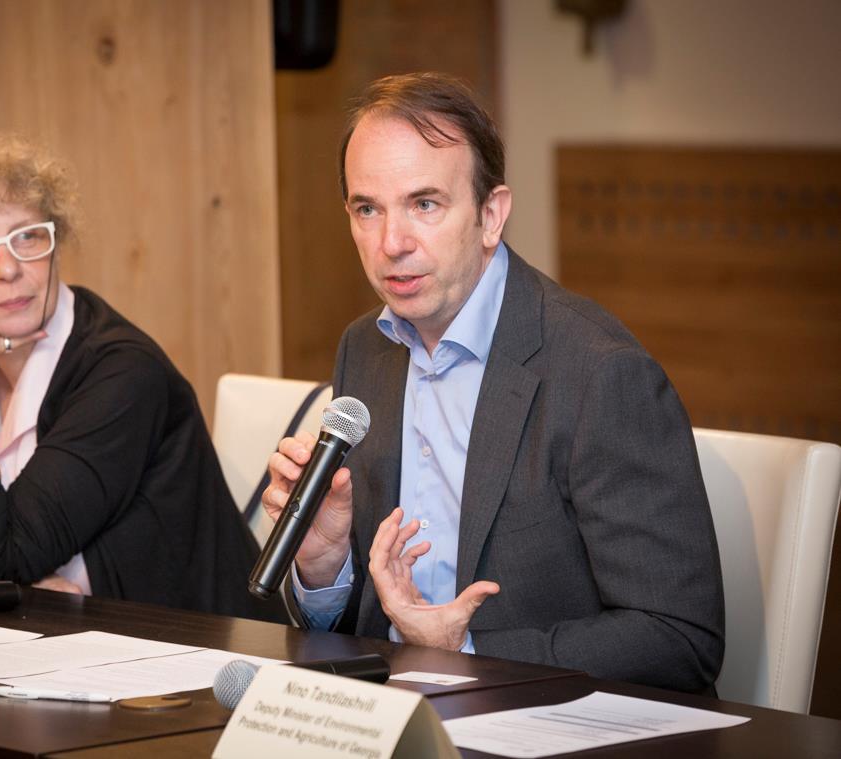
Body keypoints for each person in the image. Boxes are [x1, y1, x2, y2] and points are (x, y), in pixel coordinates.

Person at [262, 73, 724, 691]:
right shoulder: (366, 348)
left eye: (425, 204)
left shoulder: (601, 374)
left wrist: (466, 650)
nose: (391, 243)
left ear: (491, 215)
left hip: (540, 719)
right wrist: (325, 568)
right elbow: (364, 629)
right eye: (367, 209)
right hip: (393, 712)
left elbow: (679, 639)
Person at [0, 131, 282, 623]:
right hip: (69, 641)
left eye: (27, 237)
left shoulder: (123, 373)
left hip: (203, 650)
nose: (8, 269)